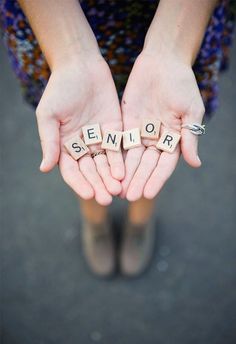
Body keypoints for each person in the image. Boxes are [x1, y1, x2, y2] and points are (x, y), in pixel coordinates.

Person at [0, 0, 234, 277]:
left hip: (177, 24)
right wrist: (69, 54)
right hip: (59, 28)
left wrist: (172, 50)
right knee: (79, 138)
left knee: (163, 135)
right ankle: (95, 219)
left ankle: (140, 219)